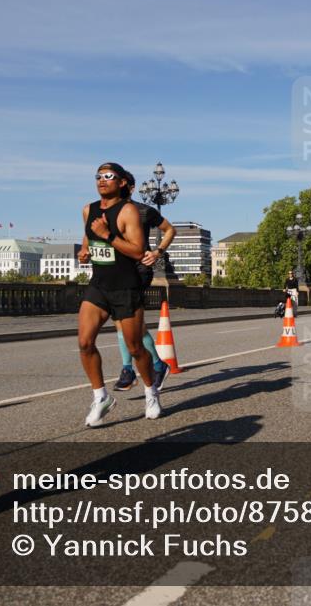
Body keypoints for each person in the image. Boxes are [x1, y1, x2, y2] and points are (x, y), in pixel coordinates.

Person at [77, 162, 159, 426]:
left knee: (136, 348)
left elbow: (138, 251)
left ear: (122, 182)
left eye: (108, 176)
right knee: (85, 343)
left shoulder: (128, 211)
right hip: (99, 285)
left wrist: (108, 235)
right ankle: (101, 397)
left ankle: (151, 392)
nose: (102, 180)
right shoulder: (88, 210)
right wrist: (84, 251)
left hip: (126, 287)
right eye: (98, 176)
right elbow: (89, 238)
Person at [111, 171, 175, 393]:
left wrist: (158, 252)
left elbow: (170, 230)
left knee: (128, 322)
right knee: (125, 324)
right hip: (115, 272)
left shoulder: (144, 210)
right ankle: (157, 364)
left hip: (138, 271)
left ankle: (128, 369)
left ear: (130, 187)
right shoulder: (108, 211)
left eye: (121, 183)